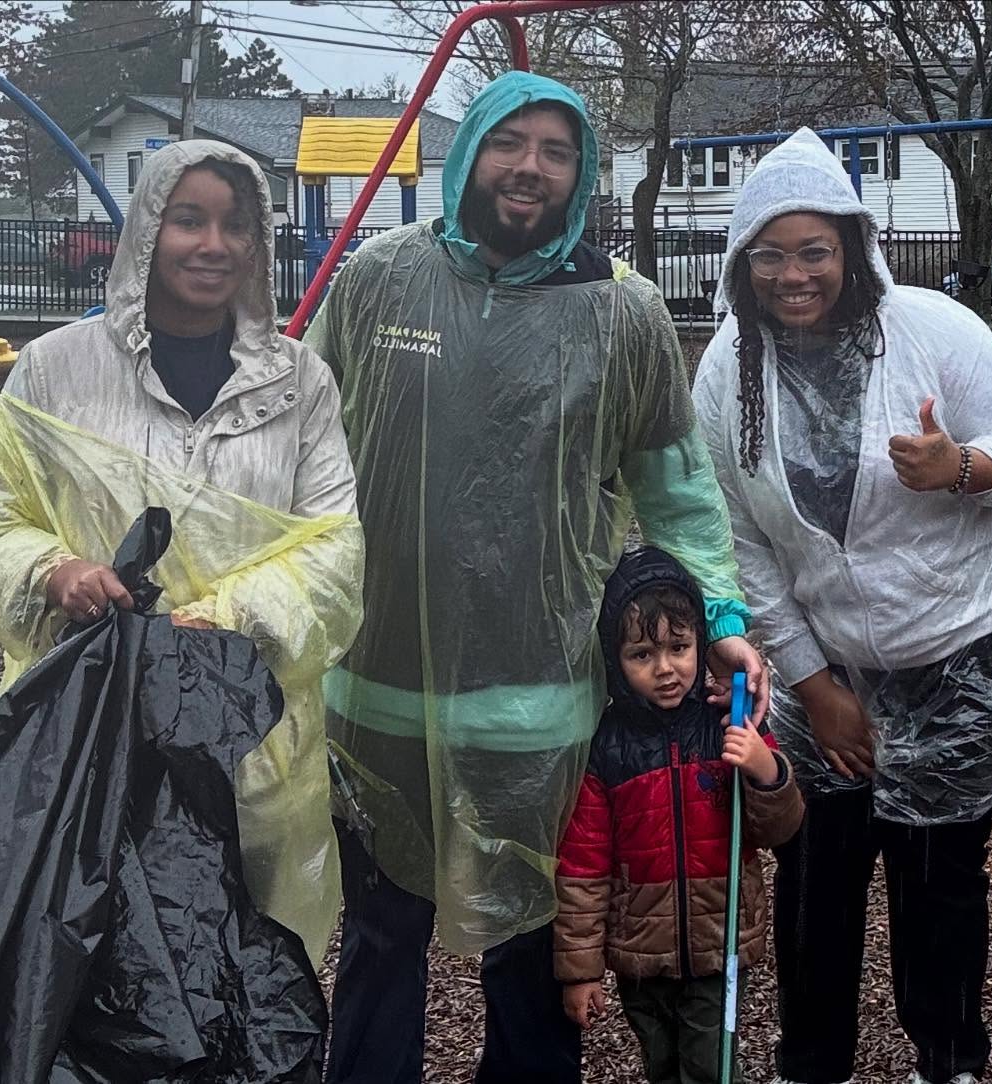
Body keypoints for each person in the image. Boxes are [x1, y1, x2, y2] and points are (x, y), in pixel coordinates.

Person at [303, 71, 766, 1084]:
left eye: (557, 151)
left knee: (533, 956)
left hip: (538, 707)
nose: (531, 168)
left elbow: (677, 489)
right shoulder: (378, 279)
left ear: (582, 171)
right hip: (379, 693)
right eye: (511, 141)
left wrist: (719, 612)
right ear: (470, 150)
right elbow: (293, 447)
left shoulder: (621, 310)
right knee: (381, 937)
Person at [690, 128, 992, 1084]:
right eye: (769, 254)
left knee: (934, 873)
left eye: (814, 250)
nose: (793, 274)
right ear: (742, 262)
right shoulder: (728, 364)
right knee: (816, 873)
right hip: (827, 657)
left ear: (853, 250)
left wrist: (965, 468)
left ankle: (949, 1061)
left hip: (965, 644)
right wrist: (813, 685)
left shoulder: (929, 327)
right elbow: (736, 535)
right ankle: (810, 1065)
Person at [0, 140, 364, 962]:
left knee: (245, 973)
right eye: (188, 220)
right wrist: (54, 571)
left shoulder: (301, 385)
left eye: (235, 225)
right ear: (147, 230)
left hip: (249, 751)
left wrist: (220, 620)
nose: (213, 245)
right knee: (80, 970)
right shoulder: (54, 371)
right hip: (83, 740)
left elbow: (334, 549)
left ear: (257, 242)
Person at [554, 547, 803, 1084]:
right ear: (614, 662)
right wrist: (581, 971)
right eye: (642, 655)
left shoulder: (726, 727)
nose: (665, 668)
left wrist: (765, 769)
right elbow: (582, 866)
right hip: (639, 952)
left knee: (710, 1067)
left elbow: (780, 827)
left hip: (716, 945)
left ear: (700, 647)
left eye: (679, 647)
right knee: (663, 1065)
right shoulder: (607, 749)